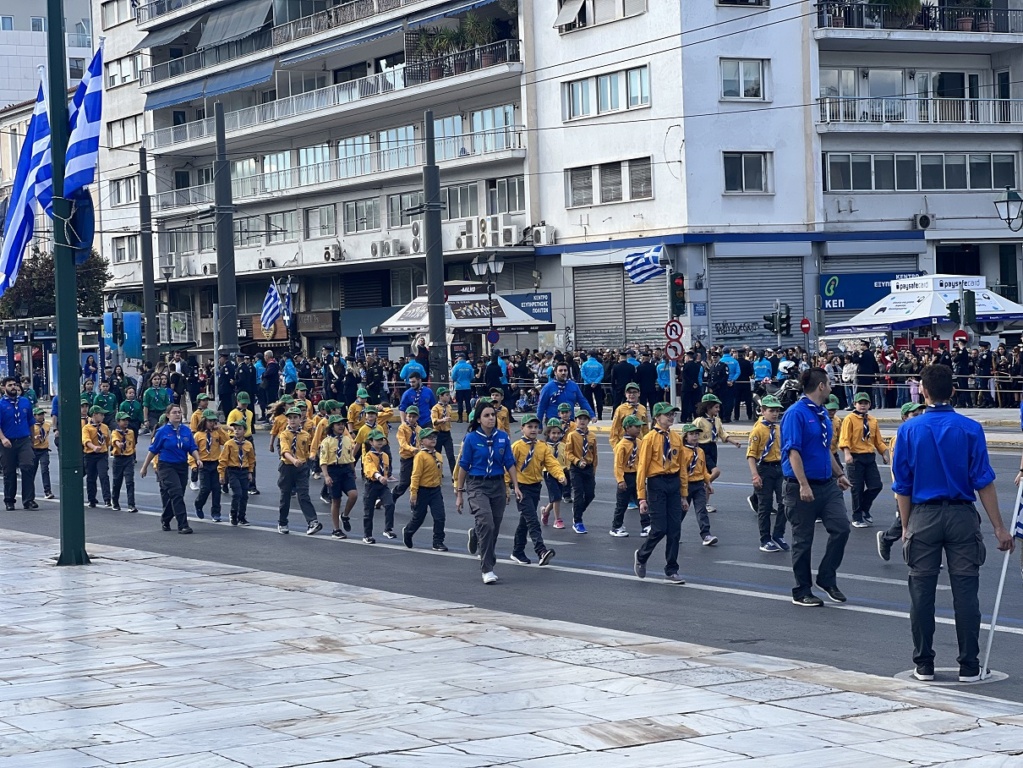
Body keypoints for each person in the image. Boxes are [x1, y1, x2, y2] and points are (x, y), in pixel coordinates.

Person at [896, 364, 1013, 681]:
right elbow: (983, 482)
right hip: (962, 515)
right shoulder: (970, 429)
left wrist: (907, 526)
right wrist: (1000, 528)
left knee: (921, 592)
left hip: (923, 515)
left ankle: (924, 664)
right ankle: (970, 665)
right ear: (954, 390)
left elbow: (902, 486)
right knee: (965, 592)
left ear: (923, 390)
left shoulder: (908, 430)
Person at [781, 368, 852, 607]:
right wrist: (803, 484)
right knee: (803, 540)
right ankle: (802, 590)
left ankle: (826, 576)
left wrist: (839, 474)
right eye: (829, 382)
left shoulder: (822, 413)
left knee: (841, 528)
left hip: (827, 484)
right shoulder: (796, 414)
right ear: (821, 386)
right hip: (801, 486)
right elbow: (793, 451)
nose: (831, 385)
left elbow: (824, 450)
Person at [455, 401, 521, 585]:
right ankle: (487, 568)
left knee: (494, 527)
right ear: (479, 419)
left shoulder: (502, 437)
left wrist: (515, 486)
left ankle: (477, 535)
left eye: (493, 415)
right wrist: (459, 493)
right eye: (486, 415)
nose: (491, 418)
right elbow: (463, 466)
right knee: (487, 523)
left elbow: (509, 462)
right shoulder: (471, 438)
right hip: (477, 484)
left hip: (498, 484)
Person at [634, 402, 688, 583]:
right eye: (667, 415)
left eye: (673, 414)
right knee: (659, 528)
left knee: (675, 529)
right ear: (657, 417)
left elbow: (682, 468)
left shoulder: (676, 438)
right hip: (656, 483)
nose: (671, 417)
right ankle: (642, 556)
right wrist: (642, 497)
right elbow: (642, 468)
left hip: (673, 482)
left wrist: (684, 494)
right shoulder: (649, 439)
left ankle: (671, 569)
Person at [509, 414, 563, 566]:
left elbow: (551, 463)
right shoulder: (517, 447)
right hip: (521, 488)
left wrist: (559, 475)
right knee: (533, 520)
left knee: (525, 521)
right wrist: (508, 487)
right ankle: (541, 551)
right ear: (522, 429)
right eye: (529, 427)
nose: (533, 430)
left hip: (535, 487)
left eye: (535, 427)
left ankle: (517, 551)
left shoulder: (542, 446)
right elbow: (509, 467)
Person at [141, 404, 201, 534]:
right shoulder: (162, 432)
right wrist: (144, 467)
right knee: (176, 492)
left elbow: (192, 447)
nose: (177, 415)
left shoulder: (186, 430)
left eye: (179, 412)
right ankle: (183, 524)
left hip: (181, 465)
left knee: (177, 495)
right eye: (174, 412)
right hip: (166, 466)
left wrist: (198, 459)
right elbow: (153, 450)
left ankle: (166, 518)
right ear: (168, 415)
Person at [877, 402, 924, 562]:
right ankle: (887, 538)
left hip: (921, 485)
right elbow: (900, 467)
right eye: (914, 415)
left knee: (922, 519)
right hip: (906, 487)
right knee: (908, 521)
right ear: (905, 418)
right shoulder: (901, 437)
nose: (919, 418)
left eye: (920, 414)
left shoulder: (919, 433)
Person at [839, 392, 890, 529]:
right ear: (855, 404)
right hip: (855, 457)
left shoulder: (872, 421)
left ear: (869, 404)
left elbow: (878, 440)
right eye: (860, 403)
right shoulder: (850, 419)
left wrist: (884, 453)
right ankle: (857, 517)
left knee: (876, 485)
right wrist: (847, 453)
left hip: (869, 456)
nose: (863, 405)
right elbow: (844, 437)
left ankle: (864, 508)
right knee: (857, 488)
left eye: (865, 403)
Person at [746, 395, 788, 553]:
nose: (775, 414)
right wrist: (755, 475)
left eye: (777, 411)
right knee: (765, 505)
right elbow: (751, 455)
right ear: (762, 411)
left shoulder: (778, 428)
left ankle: (778, 534)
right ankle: (765, 539)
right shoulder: (758, 430)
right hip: (764, 468)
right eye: (771, 411)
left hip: (780, 468)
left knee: (784, 502)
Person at [276, 406, 324, 536]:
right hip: (287, 467)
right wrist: (293, 460)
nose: (292, 420)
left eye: (295, 417)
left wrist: (312, 457)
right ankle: (282, 522)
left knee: (303, 495)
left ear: (300, 419)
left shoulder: (305, 435)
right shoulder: (284, 435)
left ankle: (312, 521)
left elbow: (310, 449)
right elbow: (285, 451)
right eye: (290, 418)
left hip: (302, 467)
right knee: (285, 495)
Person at [404, 427, 447, 551]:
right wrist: (413, 492)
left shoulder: (438, 455)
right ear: (422, 441)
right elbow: (416, 475)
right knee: (419, 517)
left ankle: (438, 541)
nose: (433, 440)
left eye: (434, 437)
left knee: (440, 516)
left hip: (435, 490)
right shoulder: (420, 456)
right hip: (422, 490)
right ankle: (408, 531)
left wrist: (439, 486)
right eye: (429, 438)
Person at [0, 376, 38, 510]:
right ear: (3, 387)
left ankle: (28, 500)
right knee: (9, 471)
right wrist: (3, 439)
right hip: (7, 442)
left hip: (24, 440)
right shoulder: (1, 404)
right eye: (9, 385)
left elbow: (31, 422)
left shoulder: (25, 402)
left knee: (28, 466)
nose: (13, 388)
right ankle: (9, 500)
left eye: (14, 385)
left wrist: (32, 439)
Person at [319, 414, 358, 539]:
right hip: (333, 470)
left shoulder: (346, 439)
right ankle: (336, 529)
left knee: (353, 495)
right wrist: (326, 476)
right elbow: (323, 461)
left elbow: (350, 456)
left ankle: (345, 515)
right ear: (332, 427)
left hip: (346, 469)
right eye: (338, 424)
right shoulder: (326, 442)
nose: (341, 426)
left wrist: (353, 470)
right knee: (336, 500)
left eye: (342, 424)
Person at [610, 415, 647, 537]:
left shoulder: (640, 443)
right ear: (627, 428)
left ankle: (646, 525)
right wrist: (620, 480)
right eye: (636, 427)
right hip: (626, 476)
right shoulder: (622, 445)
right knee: (622, 504)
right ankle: (616, 526)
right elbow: (618, 465)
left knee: (642, 500)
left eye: (639, 427)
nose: (639, 429)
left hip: (637, 475)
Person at [681, 422, 717, 546]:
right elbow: (682, 472)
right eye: (691, 434)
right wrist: (683, 494)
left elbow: (703, 470)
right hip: (686, 485)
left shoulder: (700, 451)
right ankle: (674, 532)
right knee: (681, 511)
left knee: (701, 510)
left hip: (699, 485)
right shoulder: (681, 452)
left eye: (697, 434)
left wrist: (708, 483)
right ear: (685, 436)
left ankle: (706, 534)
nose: (695, 437)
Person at [564, 409, 597, 534]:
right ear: (576, 421)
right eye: (579, 419)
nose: (582, 421)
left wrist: (593, 469)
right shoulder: (572, 435)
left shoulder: (592, 436)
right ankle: (577, 521)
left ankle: (578, 510)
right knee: (578, 493)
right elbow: (568, 453)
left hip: (588, 468)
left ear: (588, 421)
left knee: (590, 494)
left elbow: (594, 454)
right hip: (576, 468)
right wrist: (577, 461)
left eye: (585, 419)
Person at [194, 410, 228, 522]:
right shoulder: (198, 435)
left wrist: (220, 430)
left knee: (217, 489)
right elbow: (192, 450)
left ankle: (216, 512)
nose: (212, 423)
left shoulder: (216, 433)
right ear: (204, 421)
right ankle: (199, 504)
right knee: (205, 488)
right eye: (210, 421)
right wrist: (193, 464)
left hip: (215, 463)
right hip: (203, 464)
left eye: (214, 421)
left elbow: (227, 442)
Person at [361, 429, 395, 544]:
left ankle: (388, 529)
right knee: (368, 511)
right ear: (371, 442)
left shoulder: (384, 455)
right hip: (372, 484)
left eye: (381, 440)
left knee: (390, 504)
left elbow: (386, 469)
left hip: (382, 485)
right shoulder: (368, 456)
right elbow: (370, 468)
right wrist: (379, 476)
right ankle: (367, 535)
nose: (380, 442)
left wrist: (386, 476)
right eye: (377, 440)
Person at [219, 419, 254, 526]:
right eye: (235, 429)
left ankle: (242, 516)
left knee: (244, 495)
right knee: (237, 493)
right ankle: (233, 514)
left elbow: (251, 459)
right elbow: (223, 459)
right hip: (233, 471)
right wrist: (221, 474)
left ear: (244, 431)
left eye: (240, 429)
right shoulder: (229, 444)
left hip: (244, 471)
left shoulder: (248, 444)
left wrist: (250, 472)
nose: (237, 431)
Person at [391, 405, 421, 521]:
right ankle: (393, 495)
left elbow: (421, 442)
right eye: (409, 416)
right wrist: (412, 449)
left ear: (417, 417)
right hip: (407, 457)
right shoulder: (402, 428)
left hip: (417, 458)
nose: (411, 419)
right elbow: (402, 443)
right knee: (405, 482)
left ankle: (415, 504)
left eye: (414, 417)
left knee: (417, 482)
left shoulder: (419, 429)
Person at [227, 391, 260, 496]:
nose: (245, 405)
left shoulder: (250, 413)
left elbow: (249, 425)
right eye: (242, 403)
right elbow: (228, 425)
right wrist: (236, 430)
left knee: (251, 461)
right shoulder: (233, 413)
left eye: (246, 403)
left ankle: (252, 485)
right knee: (233, 462)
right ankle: (225, 481)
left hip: (248, 438)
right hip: (235, 438)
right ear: (238, 401)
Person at [541, 418, 569, 530]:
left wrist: (567, 471)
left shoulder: (563, 446)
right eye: (553, 433)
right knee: (556, 497)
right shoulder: (543, 446)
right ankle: (558, 519)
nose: (556, 435)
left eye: (558, 433)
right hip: (548, 473)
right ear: (548, 433)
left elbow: (566, 460)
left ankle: (545, 511)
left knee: (556, 497)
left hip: (562, 473)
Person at [110, 411, 138, 514]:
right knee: (117, 481)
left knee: (130, 481)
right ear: (118, 421)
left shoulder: (130, 432)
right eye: (123, 420)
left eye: (127, 420)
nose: (126, 422)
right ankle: (115, 502)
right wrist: (119, 444)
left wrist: (133, 454)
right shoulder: (115, 432)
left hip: (128, 457)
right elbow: (115, 440)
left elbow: (133, 444)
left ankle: (131, 504)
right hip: (118, 458)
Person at [608, 383, 649, 447]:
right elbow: (614, 429)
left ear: (639, 394)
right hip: (624, 444)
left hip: (639, 444)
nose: (632, 395)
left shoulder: (642, 409)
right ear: (625, 394)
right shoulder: (620, 409)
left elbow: (645, 429)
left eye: (634, 392)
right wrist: (616, 447)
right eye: (629, 392)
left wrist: (646, 445)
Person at [430, 387, 456, 473]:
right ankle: (437, 473)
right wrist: (443, 420)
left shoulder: (448, 407)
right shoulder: (435, 408)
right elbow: (434, 421)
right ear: (440, 396)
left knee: (451, 455)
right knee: (437, 455)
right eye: (447, 395)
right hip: (438, 434)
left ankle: (454, 474)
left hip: (447, 433)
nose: (449, 397)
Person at [30, 407, 53, 501]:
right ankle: (30, 492)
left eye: (42, 414)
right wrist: (35, 437)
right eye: (39, 415)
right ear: (34, 416)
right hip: (34, 450)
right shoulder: (32, 426)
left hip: (44, 450)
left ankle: (47, 491)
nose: (41, 416)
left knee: (45, 470)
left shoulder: (47, 425)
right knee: (32, 472)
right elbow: (28, 438)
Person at [581, 349, 606, 421]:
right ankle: (600, 415)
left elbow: (583, 374)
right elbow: (601, 375)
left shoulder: (584, 364)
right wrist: (596, 382)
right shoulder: (599, 365)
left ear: (589, 356)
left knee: (589, 400)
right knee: (599, 400)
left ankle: (592, 414)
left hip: (587, 384)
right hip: (597, 384)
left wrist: (589, 381)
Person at [450, 355, 474, 422]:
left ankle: (460, 418)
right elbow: (472, 376)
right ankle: (469, 418)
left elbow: (453, 377)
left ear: (459, 359)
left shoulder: (456, 367)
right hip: (467, 386)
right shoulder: (469, 366)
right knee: (467, 402)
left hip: (459, 387)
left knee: (459, 403)